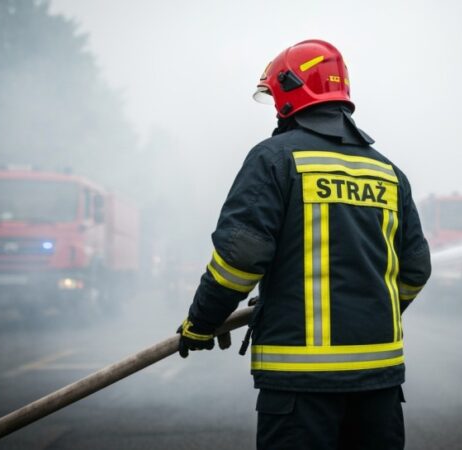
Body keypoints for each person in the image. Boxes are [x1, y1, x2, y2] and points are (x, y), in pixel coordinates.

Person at [176, 39, 431, 450]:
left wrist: (201, 324)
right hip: (380, 386)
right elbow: (416, 269)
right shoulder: (388, 172)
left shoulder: (274, 159)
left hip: (301, 387)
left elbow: (240, 259)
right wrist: (370, 307)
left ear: (290, 92)